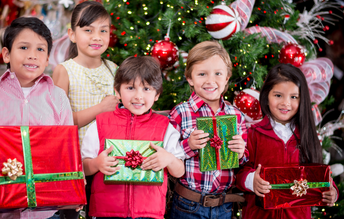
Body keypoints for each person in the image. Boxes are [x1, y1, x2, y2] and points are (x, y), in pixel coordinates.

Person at [0, 17, 73, 219]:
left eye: (40, 49)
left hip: (45, 211)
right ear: (6, 54)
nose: (32, 56)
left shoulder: (58, 98)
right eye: (24, 47)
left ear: (47, 60)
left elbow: (65, 151)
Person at [81, 56, 185, 219]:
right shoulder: (100, 123)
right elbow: (84, 167)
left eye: (146, 89)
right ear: (117, 91)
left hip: (149, 213)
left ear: (157, 94)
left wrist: (169, 160)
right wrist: (96, 163)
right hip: (107, 211)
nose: (138, 96)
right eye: (130, 88)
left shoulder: (165, 127)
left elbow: (179, 171)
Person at [235, 63, 339, 219]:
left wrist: (333, 192)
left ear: (302, 99)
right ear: (266, 96)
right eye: (278, 95)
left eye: (293, 97)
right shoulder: (253, 133)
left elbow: (320, 175)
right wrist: (251, 180)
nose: (286, 103)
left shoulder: (308, 136)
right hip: (259, 215)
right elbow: (238, 173)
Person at [168, 40, 248, 219]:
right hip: (188, 204)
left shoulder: (236, 115)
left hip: (224, 205)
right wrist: (188, 145)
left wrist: (241, 151)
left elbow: (244, 159)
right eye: (202, 74)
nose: (210, 81)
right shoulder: (181, 113)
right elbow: (169, 155)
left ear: (227, 77)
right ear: (190, 78)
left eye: (218, 74)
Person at [52, 1, 119, 147]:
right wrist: (100, 108)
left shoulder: (113, 69)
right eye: (88, 30)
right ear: (72, 35)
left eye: (103, 30)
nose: (97, 37)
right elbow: (59, 122)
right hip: (77, 157)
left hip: (109, 157)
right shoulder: (64, 71)